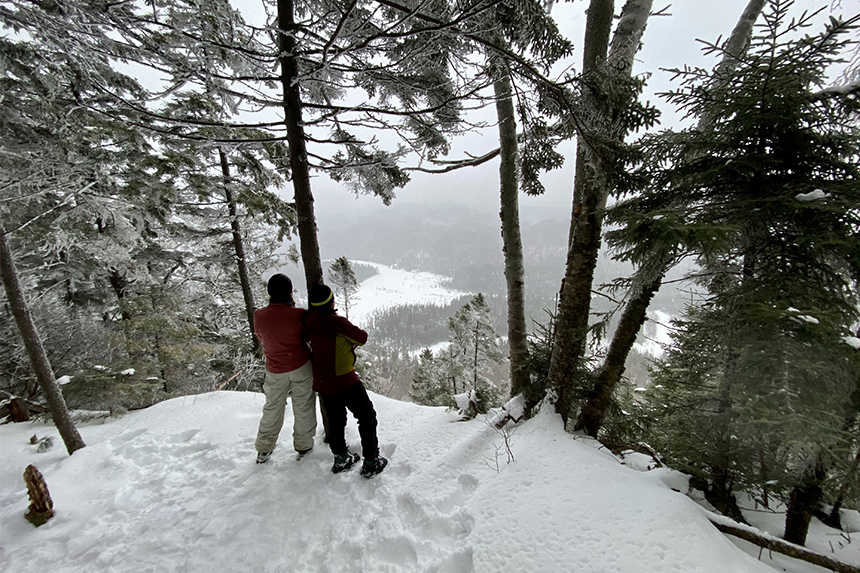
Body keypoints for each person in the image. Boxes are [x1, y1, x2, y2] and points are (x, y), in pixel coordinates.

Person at [304, 283, 387, 478]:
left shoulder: (308, 321)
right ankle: (371, 461)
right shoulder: (336, 323)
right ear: (330, 301)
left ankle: (341, 457)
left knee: (335, 419)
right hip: (344, 379)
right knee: (366, 416)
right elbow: (362, 337)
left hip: (323, 382)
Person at [253, 274, 317, 464]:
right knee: (303, 405)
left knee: (272, 407)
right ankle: (304, 444)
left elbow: (262, 337)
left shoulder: (259, 315)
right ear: (289, 292)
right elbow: (307, 337)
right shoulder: (299, 314)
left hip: (275, 368)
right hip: (301, 365)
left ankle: (264, 448)